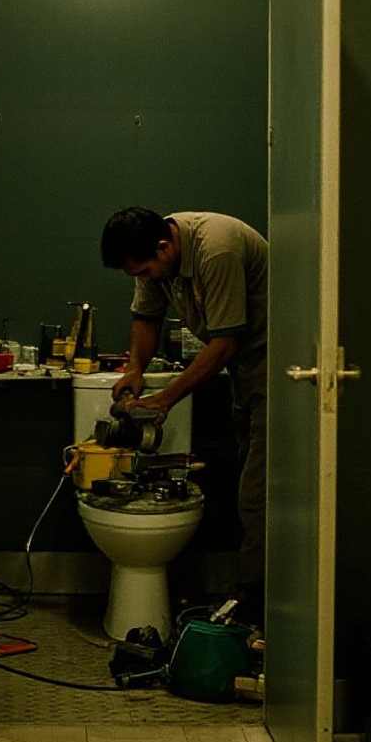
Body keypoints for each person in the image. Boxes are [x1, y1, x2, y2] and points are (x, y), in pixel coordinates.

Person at [101, 206, 268, 622]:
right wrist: (135, 369)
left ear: (164, 247)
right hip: (243, 373)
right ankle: (253, 595)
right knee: (251, 483)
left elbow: (225, 343)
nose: (144, 278)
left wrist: (163, 400)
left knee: (259, 492)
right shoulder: (155, 253)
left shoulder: (217, 248)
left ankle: (255, 605)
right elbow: (146, 317)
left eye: (144, 270)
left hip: (277, 368)